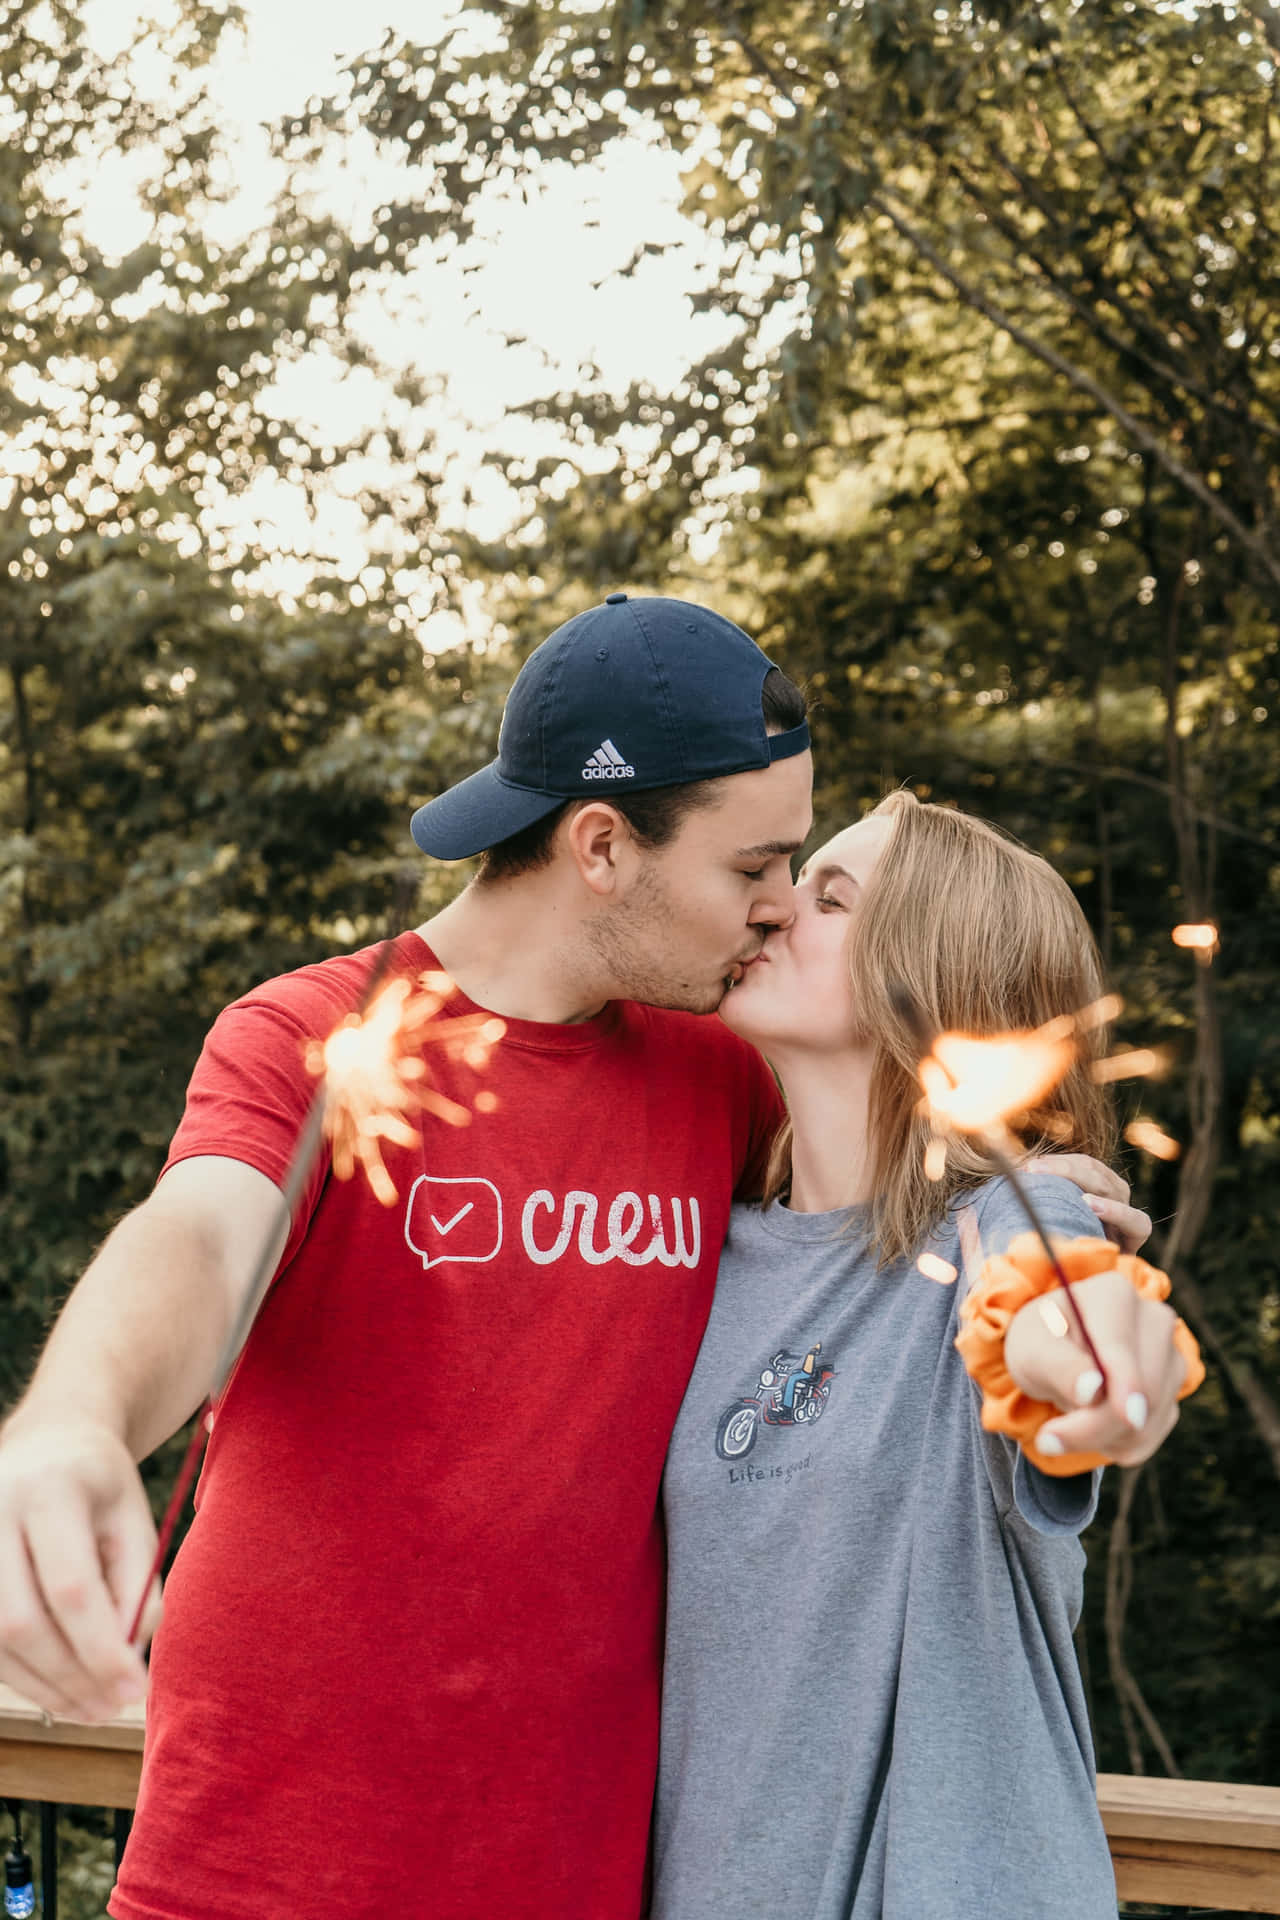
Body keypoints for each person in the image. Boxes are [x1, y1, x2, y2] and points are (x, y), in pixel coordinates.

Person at [0, 595, 1148, 1920]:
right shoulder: (320, 1039)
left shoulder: (722, 1082)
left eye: (802, 876)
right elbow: (203, 1231)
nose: (778, 913)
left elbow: (895, 1154)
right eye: (754, 870)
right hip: (257, 1882)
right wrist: (78, 1416)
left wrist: (1019, 1186)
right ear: (602, 846)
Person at [651, 791, 1198, 1920]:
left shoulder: (1008, 1218)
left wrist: (1103, 1370)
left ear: (930, 982)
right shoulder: (704, 1264)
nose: (770, 908)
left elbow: (1054, 1312)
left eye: (828, 896)